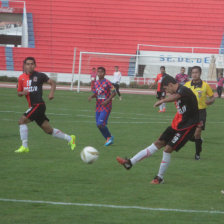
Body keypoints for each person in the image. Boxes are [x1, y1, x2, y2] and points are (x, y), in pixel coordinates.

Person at [117, 75, 199, 184]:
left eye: (166, 89)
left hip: (187, 127)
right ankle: (130, 162)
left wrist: (162, 101)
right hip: (176, 125)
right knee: (158, 143)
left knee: (167, 149)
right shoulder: (178, 91)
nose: (166, 91)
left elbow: (177, 96)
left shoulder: (183, 90)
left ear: (170, 85)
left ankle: (159, 178)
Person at [15, 57, 76, 153]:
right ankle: (70, 139)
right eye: (28, 64)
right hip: (33, 106)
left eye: (32, 64)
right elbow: (19, 93)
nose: (30, 66)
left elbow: (52, 83)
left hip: (38, 105)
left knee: (21, 121)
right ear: (24, 65)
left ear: (35, 65)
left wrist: (51, 93)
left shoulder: (40, 75)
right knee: (48, 130)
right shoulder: (21, 78)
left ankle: (25, 146)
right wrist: (23, 93)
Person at [185, 66, 215, 160]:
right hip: (190, 112)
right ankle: (198, 141)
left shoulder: (205, 85)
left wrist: (210, 101)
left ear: (200, 73)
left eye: (196, 72)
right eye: (193, 72)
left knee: (197, 133)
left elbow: (212, 97)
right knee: (189, 136)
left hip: (201, 112)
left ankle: (197, 154)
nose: (194, 74)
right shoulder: (187, 85)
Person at [88, 67, 116, 146]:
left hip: (106, 106)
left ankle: (109, 137)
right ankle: (108, 138)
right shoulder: (96, 83)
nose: (99, 73)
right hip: (98, 106)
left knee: (100, 124)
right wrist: (91, 96)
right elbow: (97, 93)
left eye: (101, 72)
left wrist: (107, 100)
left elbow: (114, 92)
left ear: (104, 73)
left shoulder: (108, 82)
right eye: (98, 72)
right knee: (98, 125)